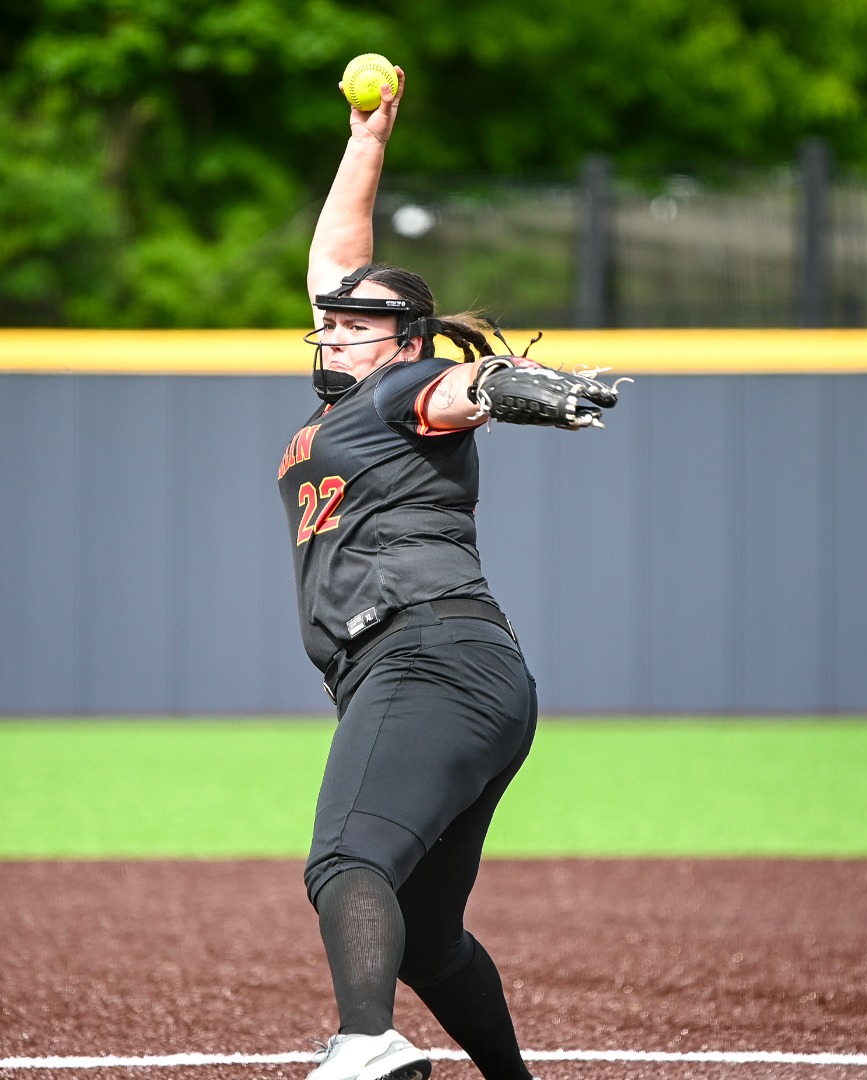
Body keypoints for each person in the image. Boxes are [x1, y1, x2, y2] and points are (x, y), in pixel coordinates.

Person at [283, 65, 620, 1080]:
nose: (336, 327)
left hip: (425, 655)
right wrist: (368, 140)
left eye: (359, 323)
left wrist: (516, 384)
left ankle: (365, 1040)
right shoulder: (351, 396)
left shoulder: (402, 391)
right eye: (329, 321)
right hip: (467, 675)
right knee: (425, 937)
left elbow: (464, 386)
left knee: (347, 860)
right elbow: (336, 265)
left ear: (410, 342)